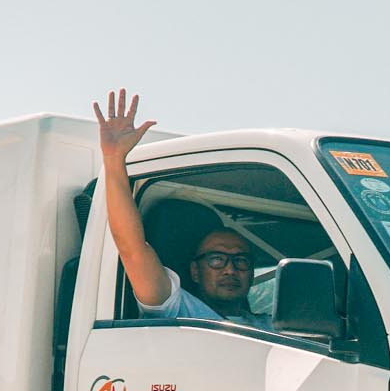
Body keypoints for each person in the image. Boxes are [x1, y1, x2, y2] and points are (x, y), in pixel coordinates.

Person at [95, 88, 270, 328]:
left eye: (241, 261)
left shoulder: (274, 327)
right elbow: (131, 249)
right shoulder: (179, 310)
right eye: (217, 259)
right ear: (195, 271)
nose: (230, 269)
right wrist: (114, 159)